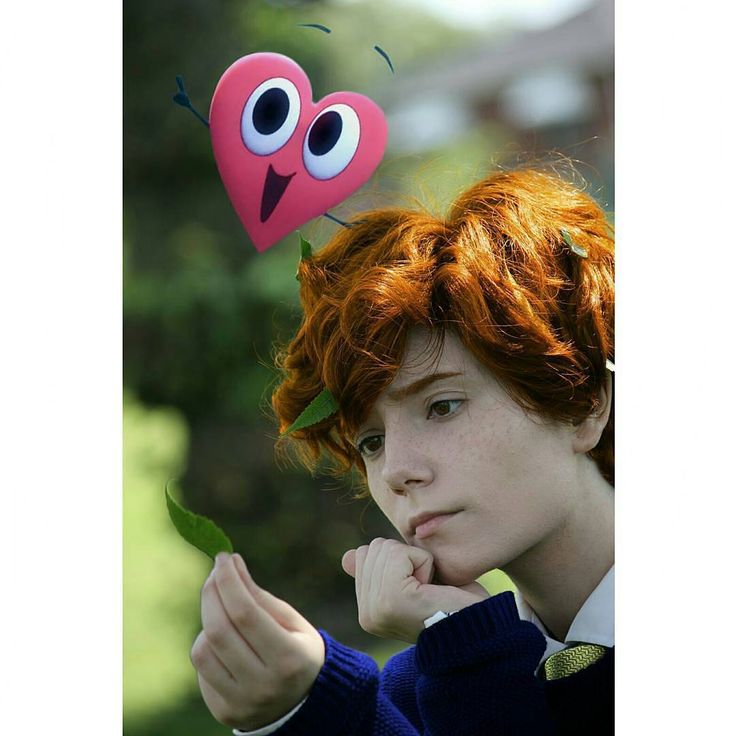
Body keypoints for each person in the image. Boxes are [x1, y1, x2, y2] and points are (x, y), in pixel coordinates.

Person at [189, 167, 615, 735]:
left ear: (582, 403)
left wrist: (467, 653)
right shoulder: (430, 682)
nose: (396, 471)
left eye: (442, 406)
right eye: (370, 441)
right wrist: (305, 708)